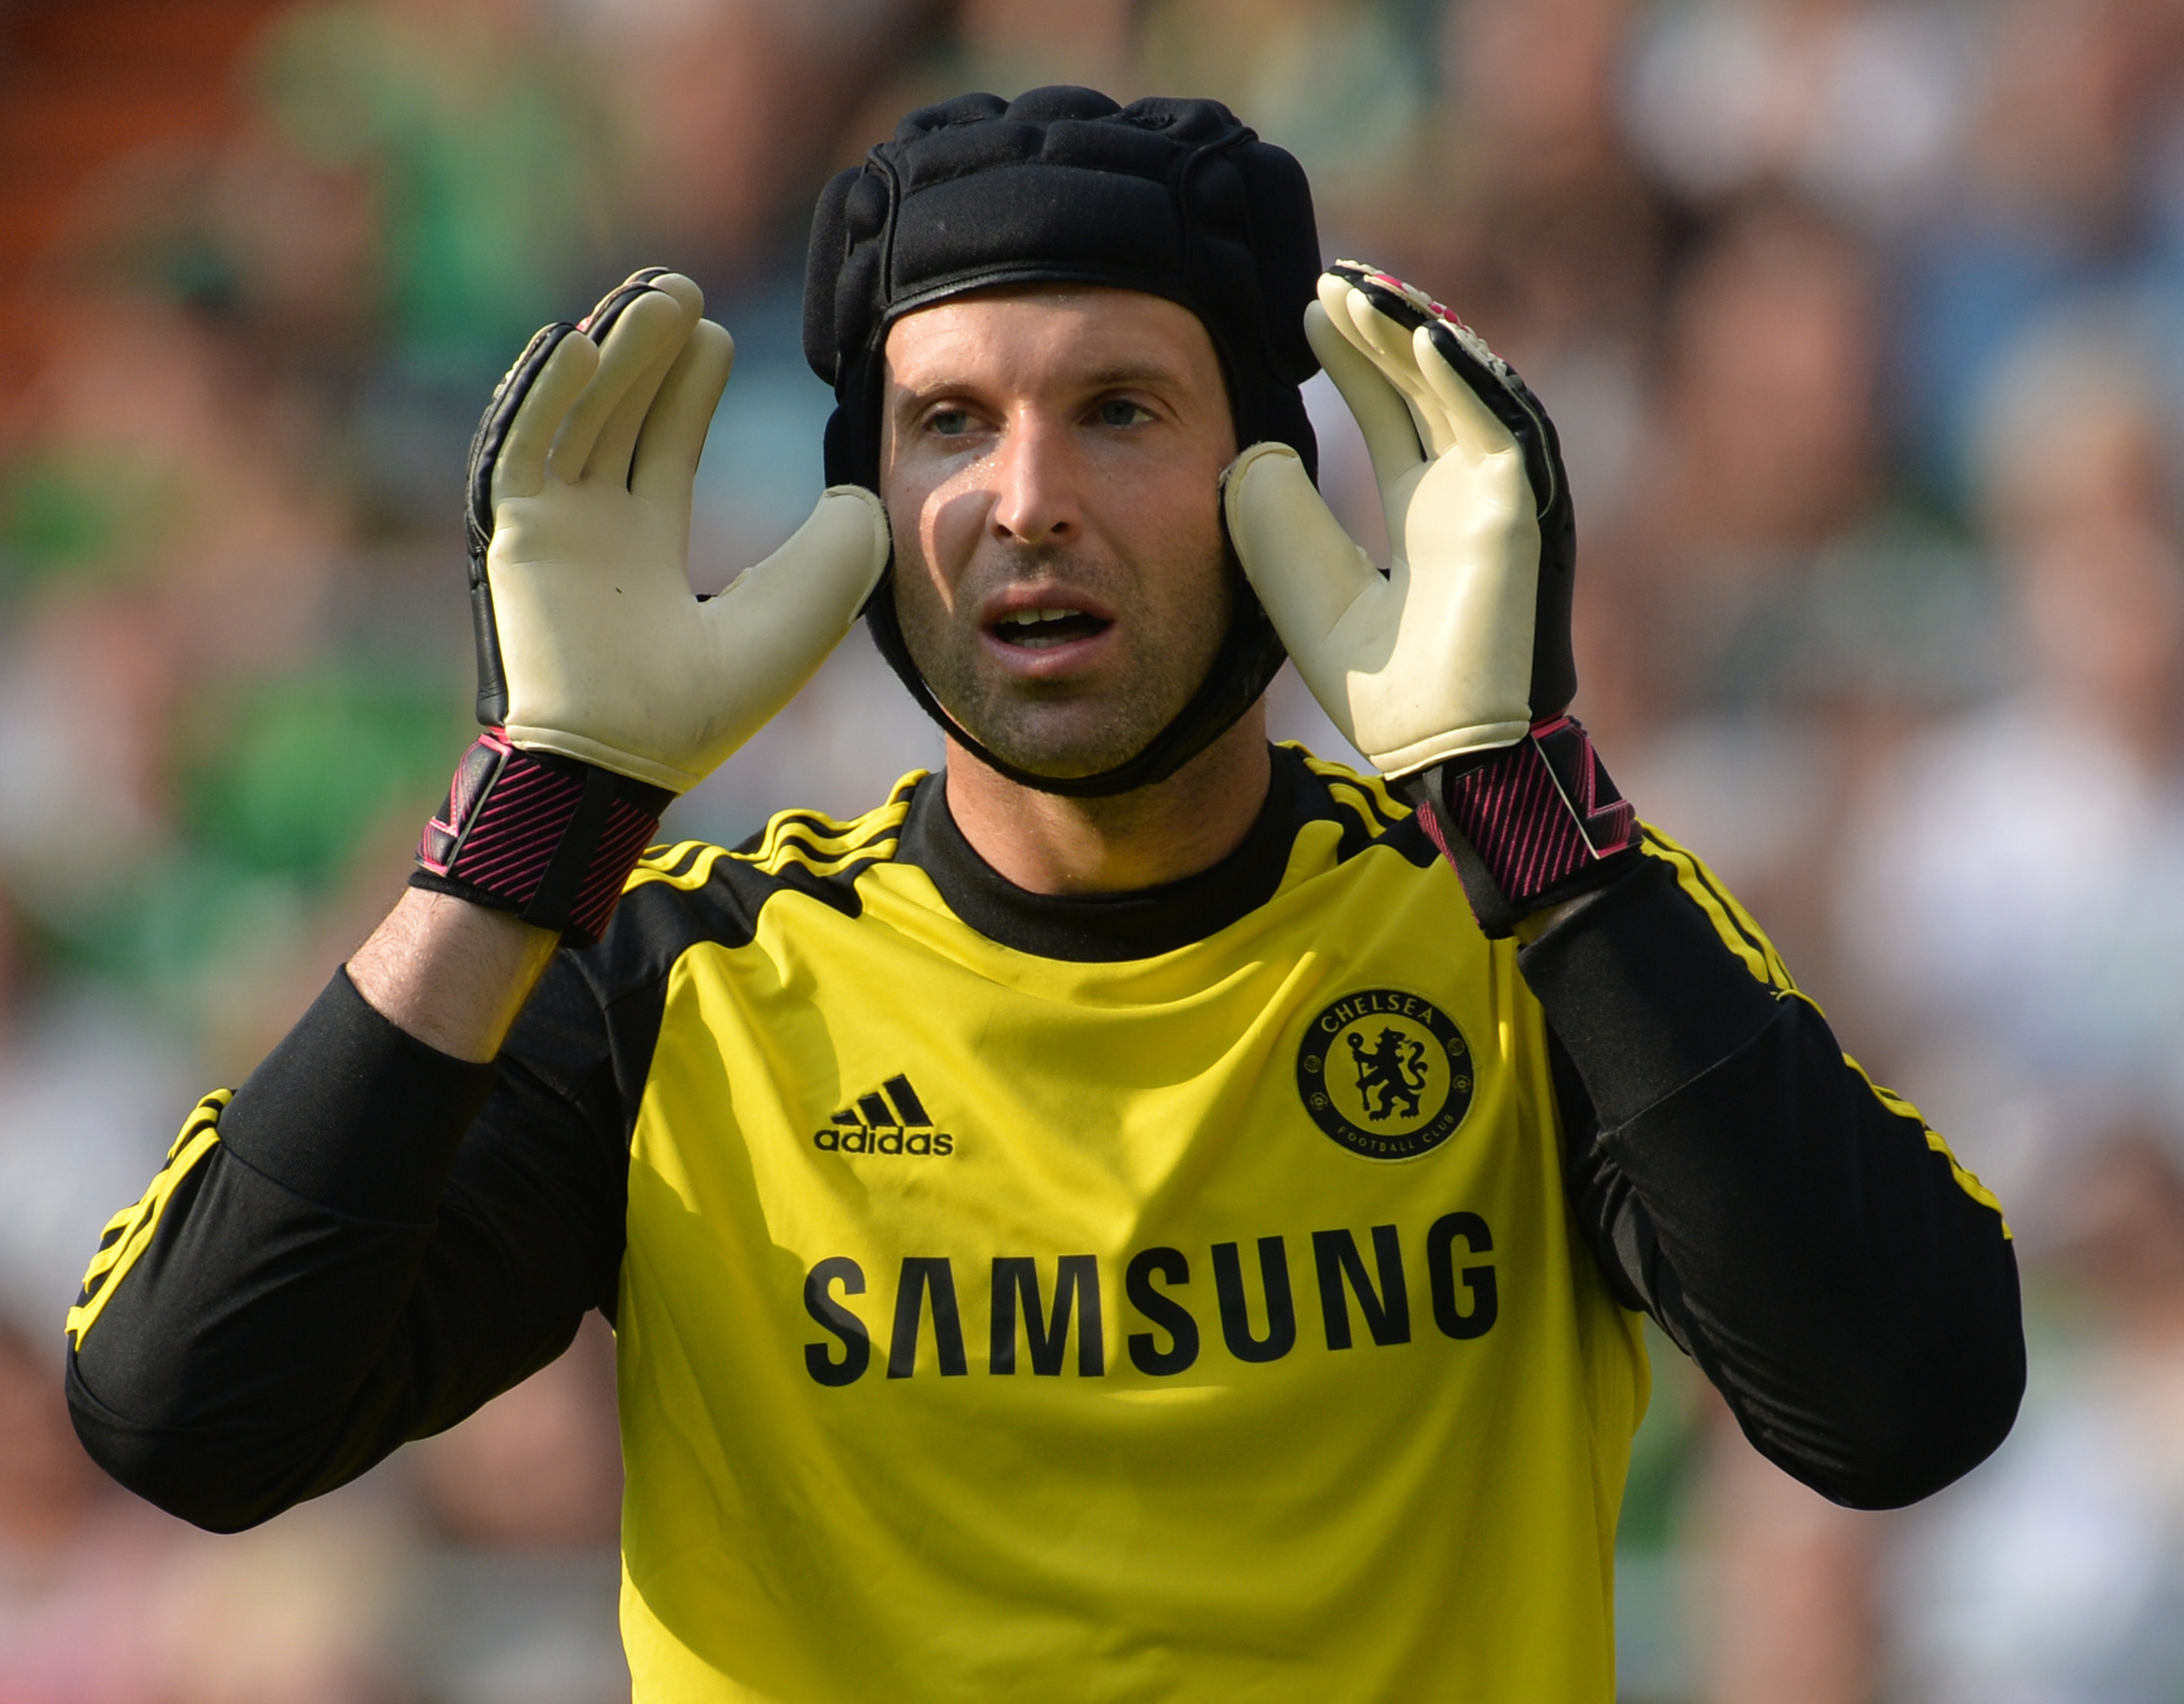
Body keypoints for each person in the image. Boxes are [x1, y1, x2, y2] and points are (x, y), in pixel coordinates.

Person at [58, 88, 2021, 1701]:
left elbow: (1903, 1406)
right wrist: (532, 825)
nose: (1023, 497)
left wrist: (1524, 807)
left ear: (1274, 483)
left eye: (1120, 410)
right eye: (948, 425)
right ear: (866, 519)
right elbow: (186, 1414)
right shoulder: (685, 980)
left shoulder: (1522, 926)